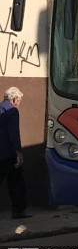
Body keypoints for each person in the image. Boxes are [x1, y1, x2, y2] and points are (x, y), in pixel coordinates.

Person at [0, 87, 31, 219]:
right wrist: (19, 153)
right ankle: (18, 211)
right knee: (16, 182)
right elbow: (14, 134)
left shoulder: (1, 108)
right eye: (19, 99)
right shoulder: (13, 111)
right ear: (14, 99)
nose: (19, 102)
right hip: (8, 153)